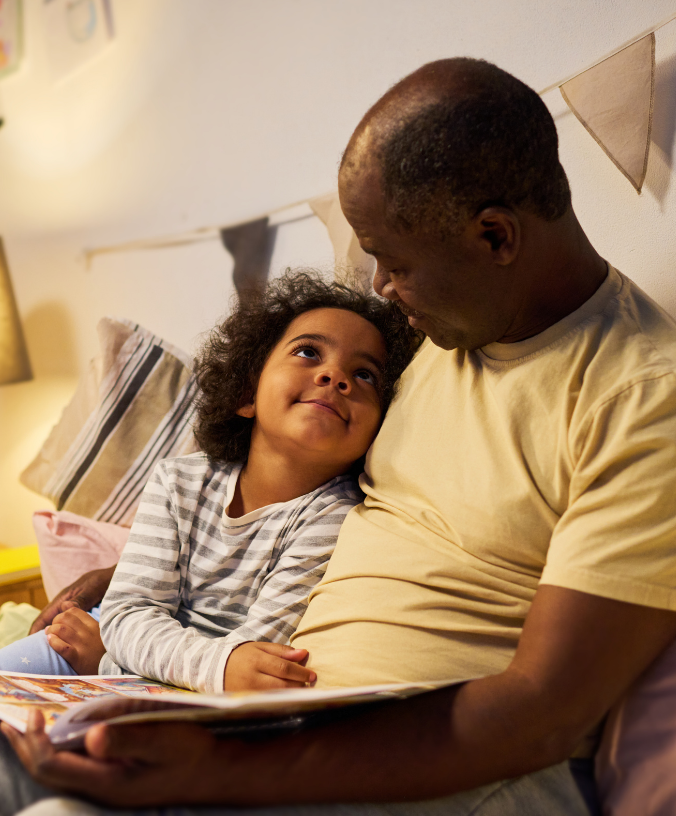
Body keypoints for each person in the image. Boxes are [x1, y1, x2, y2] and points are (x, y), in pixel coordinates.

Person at [3, 56, 676, 816]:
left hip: (449, 774)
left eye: (395, 263)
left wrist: (220, 769)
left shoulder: (642, 396)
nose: (383, 289)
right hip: (271, 729)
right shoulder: (440, 340)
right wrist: (120, 584)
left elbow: (543, 713)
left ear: (495, 236)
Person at [0, 271, 421, 692]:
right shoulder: (177, 481)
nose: (335, 376)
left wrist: (109, 663)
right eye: (309, 352)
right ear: (246, 395)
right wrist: (119, 655)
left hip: (168, 672)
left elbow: (256, 658)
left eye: (365, 374)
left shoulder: (336, 518)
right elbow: (127, 611)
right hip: (115, 643)